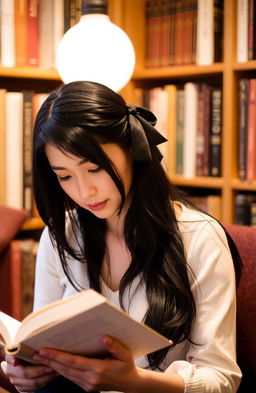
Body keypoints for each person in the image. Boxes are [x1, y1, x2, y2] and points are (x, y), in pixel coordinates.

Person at [1, 81, 242, 393]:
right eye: (64, 176)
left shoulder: (198, 239)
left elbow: (221, 380)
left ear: (132, 149)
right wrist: (28, 375)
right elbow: (38, 343)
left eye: (95, 168)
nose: (84, 192)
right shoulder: (62, 234)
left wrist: (135, 382)